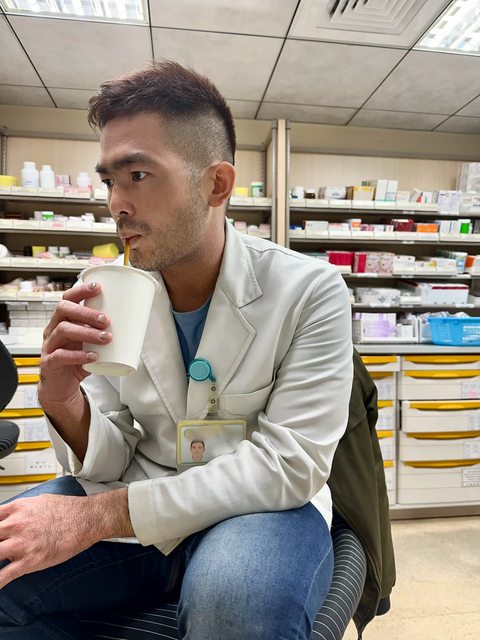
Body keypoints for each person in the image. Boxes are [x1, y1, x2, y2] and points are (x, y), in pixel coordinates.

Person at [0, 61, 353, 640]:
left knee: (234, 605)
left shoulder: (309, 291)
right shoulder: (107, 289)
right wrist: (64, 402)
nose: (116, 204)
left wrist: (98, 518)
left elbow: (288, 465)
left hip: (261, 507)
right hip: (138, 485)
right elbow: (112, 456)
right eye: (109, 181)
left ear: (216, 185)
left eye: (138, 175)